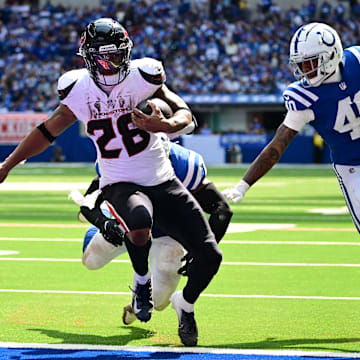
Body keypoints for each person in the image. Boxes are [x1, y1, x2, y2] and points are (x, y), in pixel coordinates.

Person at [0, 18, 223, 347]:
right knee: (139, 220)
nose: (117, 63)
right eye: (108, 57)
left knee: (211, 256)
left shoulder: (143, 77)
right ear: (91, 58)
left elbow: (184, 114)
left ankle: (185, 305)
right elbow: (46, 131)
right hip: (119, 181)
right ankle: (140, 282)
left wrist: (162, 125)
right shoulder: (79, 90)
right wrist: (8, 164)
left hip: (161, 179)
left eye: (121, 55)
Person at [70, 140, 232, 326]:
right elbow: (87, 207)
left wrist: (199, 252)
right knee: (91, 261)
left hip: (168, 232)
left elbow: (222, 209)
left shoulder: (186, 166)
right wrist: (104, 222)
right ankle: (107, 221)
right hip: (127, 224)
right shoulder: (123, 159)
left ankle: (135, 303)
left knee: (160, 301)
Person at [222, 22, 360, 234]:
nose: (305, 70)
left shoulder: (357, 61)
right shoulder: (304, 98)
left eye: (310, 62)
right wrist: (243, 185)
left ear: (331, 55)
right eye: (301, 64)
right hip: (352, 168)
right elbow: (276, 146)